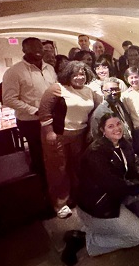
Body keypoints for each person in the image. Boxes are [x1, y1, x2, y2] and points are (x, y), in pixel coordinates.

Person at [61, 113, 139, 265]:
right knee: (137, 237)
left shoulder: (123, 143)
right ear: (103, 131)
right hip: (98, 207)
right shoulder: (96, 152)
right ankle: (86, 240)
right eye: (111, 126)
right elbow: (112, 184)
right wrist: (138, 187)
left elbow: (132, 165)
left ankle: (129, 223)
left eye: (118, 124)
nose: (117, 129)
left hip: (115, 198)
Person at [38, 61, 99, 219]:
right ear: (68, 75)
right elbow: (44, 112)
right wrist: (49, 132)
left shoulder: (88, 90)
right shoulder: (57, 89)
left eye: (83, 73)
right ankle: (60, 203)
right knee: (58, 169)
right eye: (75, 74)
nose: (80, 77)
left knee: (77, 167)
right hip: (58, 136)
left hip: (79, 135)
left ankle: (76, 195)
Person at [2, 37, 57, 182]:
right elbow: (8, 99)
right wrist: (34, 110)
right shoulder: (14, 72)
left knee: (54, 154)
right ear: (24, 50)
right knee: (39, 156)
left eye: (40, 47)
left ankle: (56, 186)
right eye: (32, 48)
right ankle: (42, 189)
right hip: (31, 122)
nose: (38, 51)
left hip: (52, 118)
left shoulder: (49, 68)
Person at [89, 78, 134, 143]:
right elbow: (97, 138)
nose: (114, 92)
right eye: (110, 90)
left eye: (116, 89)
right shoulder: (100, 113)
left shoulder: (120, 104)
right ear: (102, 91)